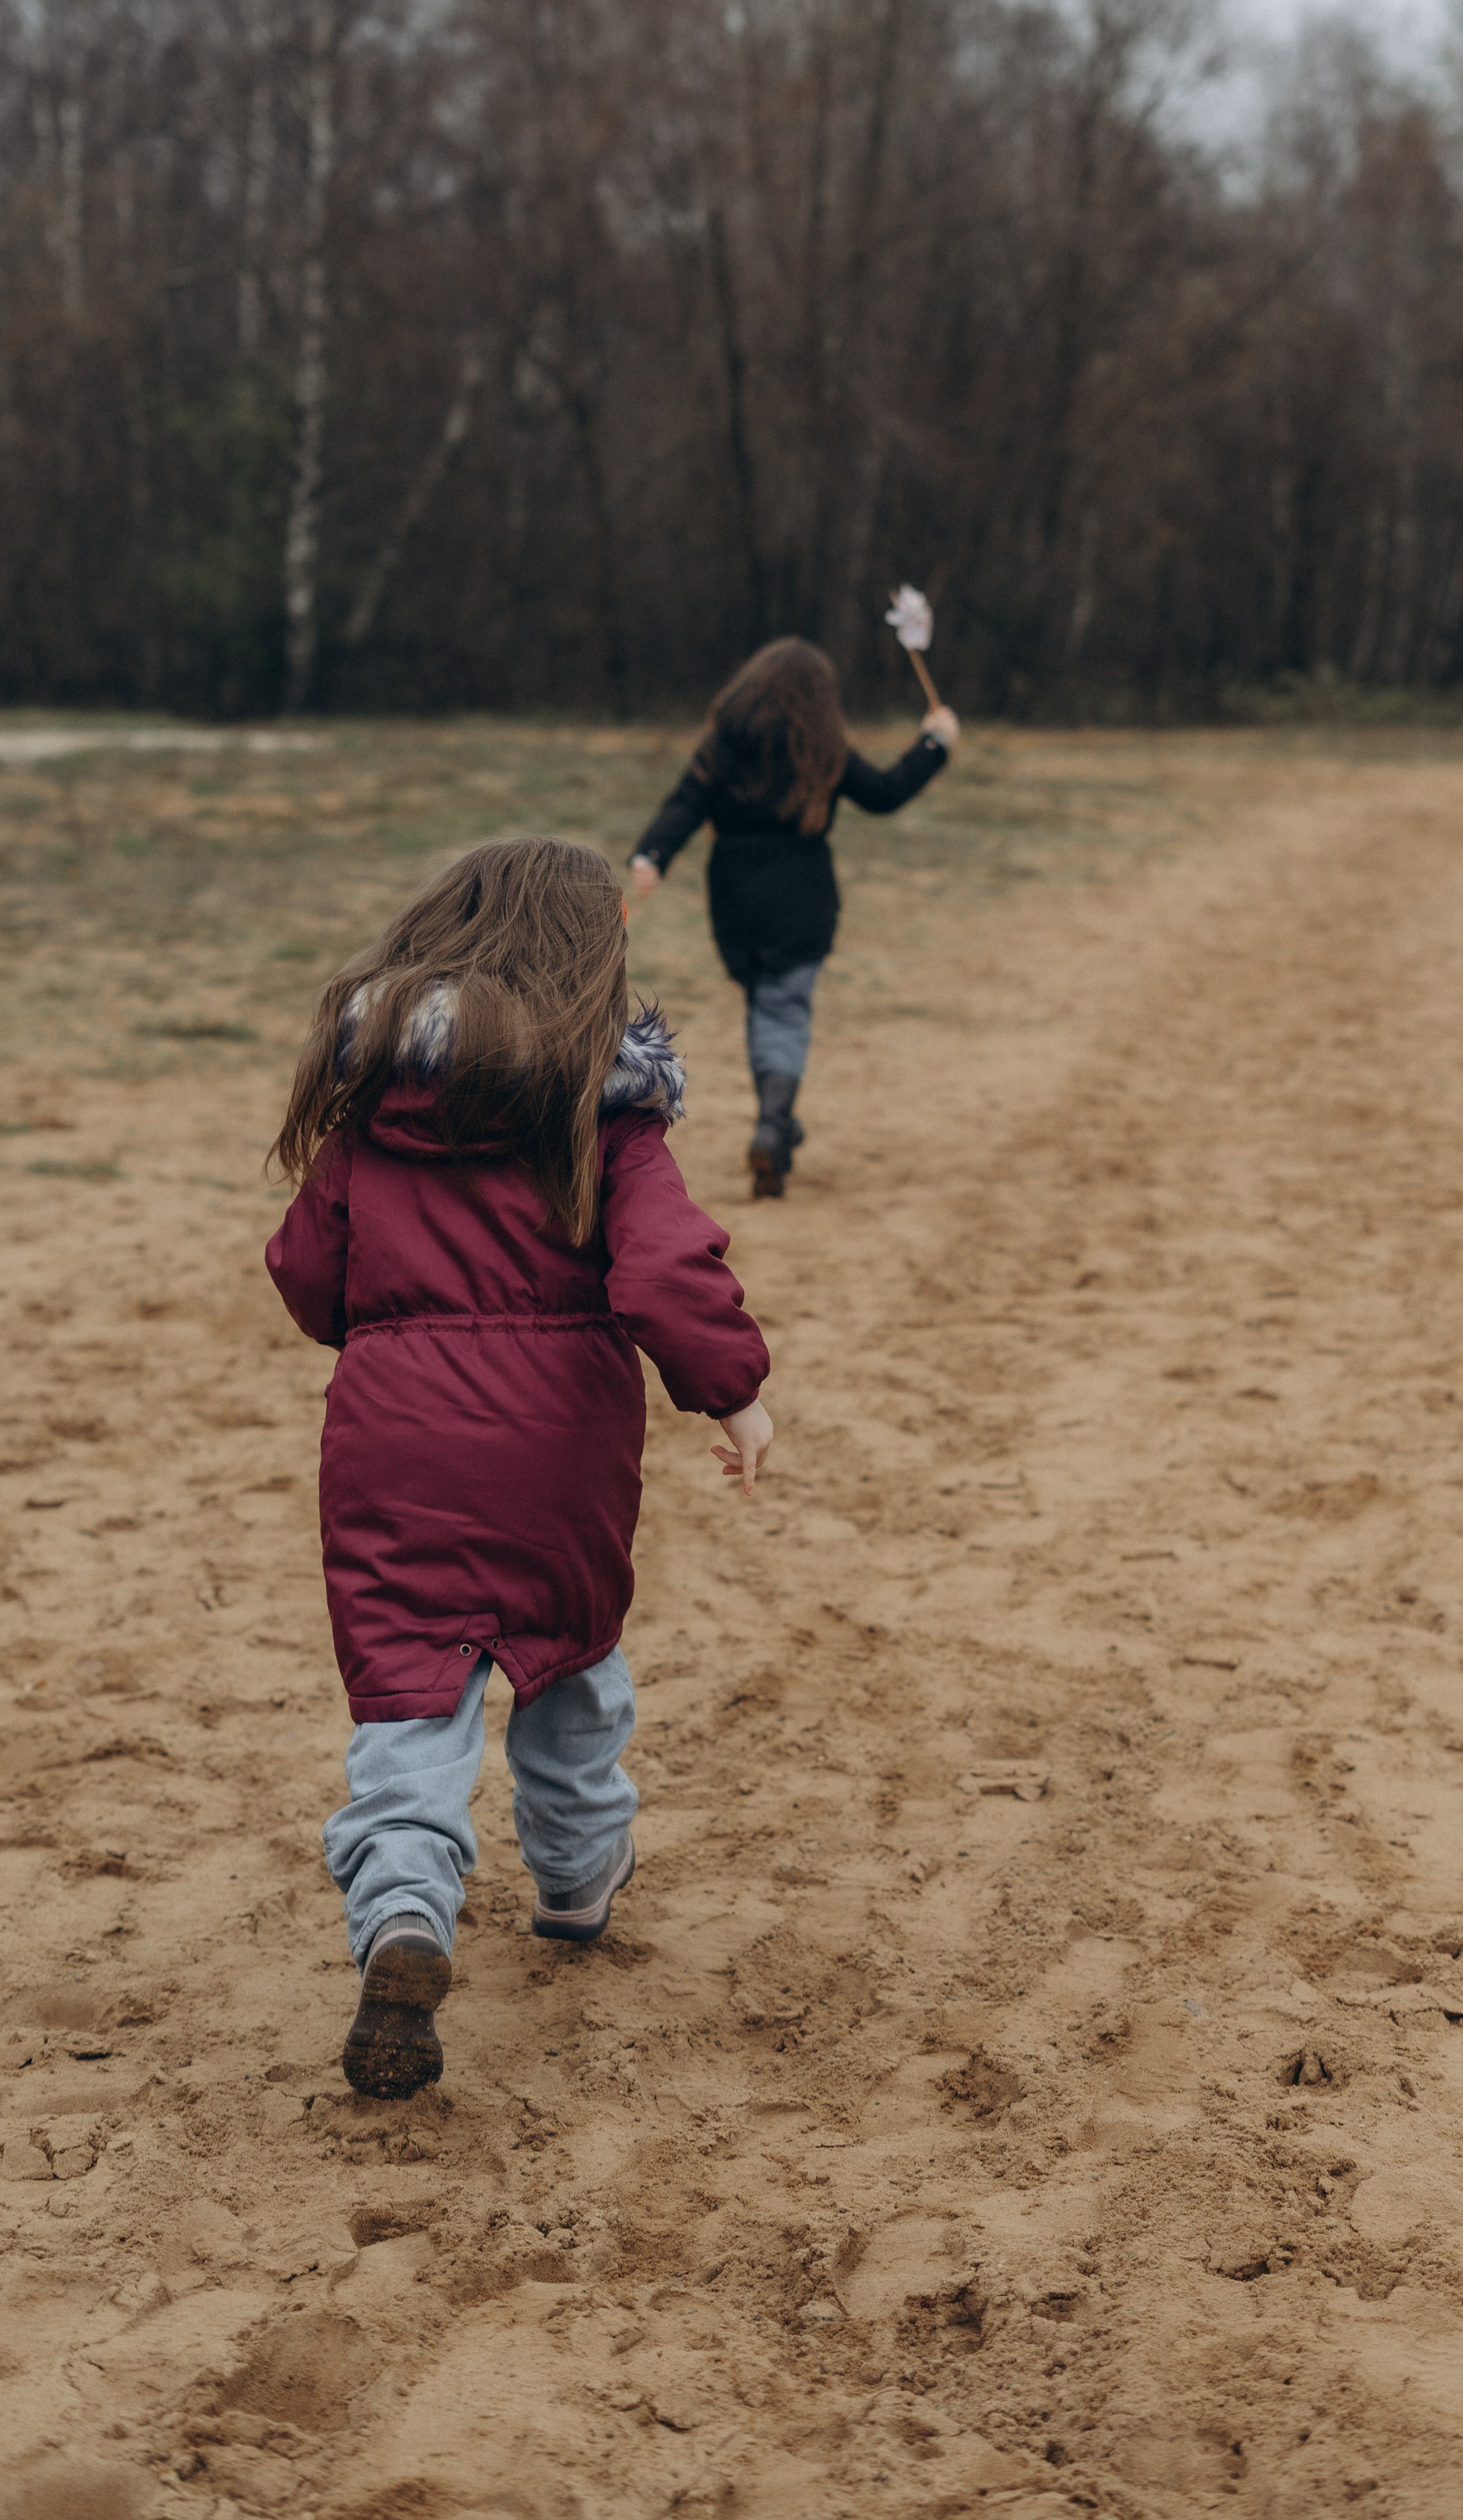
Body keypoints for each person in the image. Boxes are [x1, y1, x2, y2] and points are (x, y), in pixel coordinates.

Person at [264, 836, 772, 2101]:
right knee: (572, 1663)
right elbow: (664, 1274)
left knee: (408, 1692)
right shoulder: (610, 1117)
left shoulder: (372, 1112)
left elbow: (305, 1277)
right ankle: (580, 1883)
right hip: (561, 1455)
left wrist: (393, 1332)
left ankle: (404, 1915)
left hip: (390, 1444)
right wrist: (735, 1393)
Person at [630, 638, 960, 1196]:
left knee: (766, 1005)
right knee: (782, 1012)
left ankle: (777, 1123)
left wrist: (652, 854)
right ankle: (774, 1122)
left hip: (734, 900)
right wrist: (935, 744)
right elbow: (884, 793)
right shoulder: (821, 748)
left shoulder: (724, 743)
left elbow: (686, 802)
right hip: (802, 900)